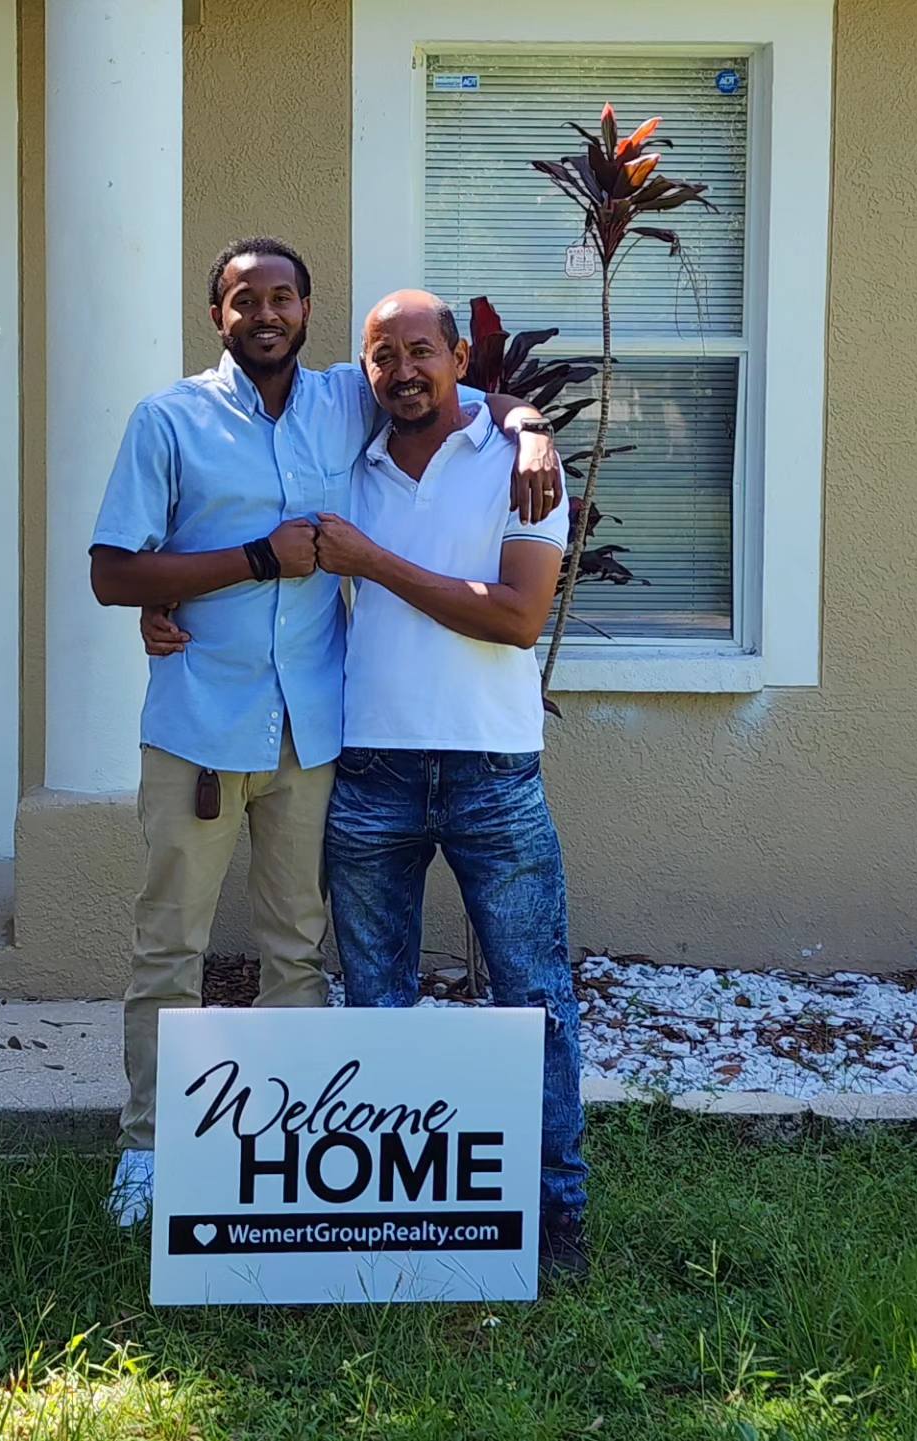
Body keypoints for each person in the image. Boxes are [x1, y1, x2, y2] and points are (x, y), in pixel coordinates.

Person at [90, 239, 562, 1226]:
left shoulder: (346, 397)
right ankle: (147, 1148)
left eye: (281, 298)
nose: (263, 315)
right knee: (168, 948)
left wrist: (534, 431)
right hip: (202, 727)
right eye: (242, 300)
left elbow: (460, 389)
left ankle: (291, 1154)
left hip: (312, 735)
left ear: (306, 310)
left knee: (297, 951)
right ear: (216, 315)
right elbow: (113, 572)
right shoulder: (167, 420)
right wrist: (241, 566)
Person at [313, 289, 589, 1278]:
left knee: (535, 1001)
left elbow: (518, 617)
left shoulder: (525, 470)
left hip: (492, 773)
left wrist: (528, 423)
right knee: (372, 1003)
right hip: (372, 769)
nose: (401, 374)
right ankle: (387, 1221)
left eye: (419, 351)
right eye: (381, 358)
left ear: (461, 354)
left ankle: (557, 1216)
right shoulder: (356, 457)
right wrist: (161, 611)